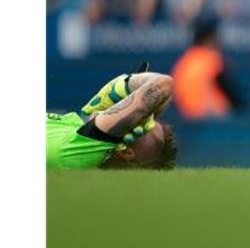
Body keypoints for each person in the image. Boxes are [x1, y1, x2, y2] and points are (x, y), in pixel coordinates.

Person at [47, 67, 178, 170]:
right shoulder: (73, 129)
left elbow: (163, 85)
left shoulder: (79, 152)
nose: (134, 115)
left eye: (143, 122)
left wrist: (124, 86)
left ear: (126, 152)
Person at [172, 19, 243, 120]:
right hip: (214, 120)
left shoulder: (183, 63)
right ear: (210, 37)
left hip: (189, 122)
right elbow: (229, 90)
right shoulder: (212, 58)